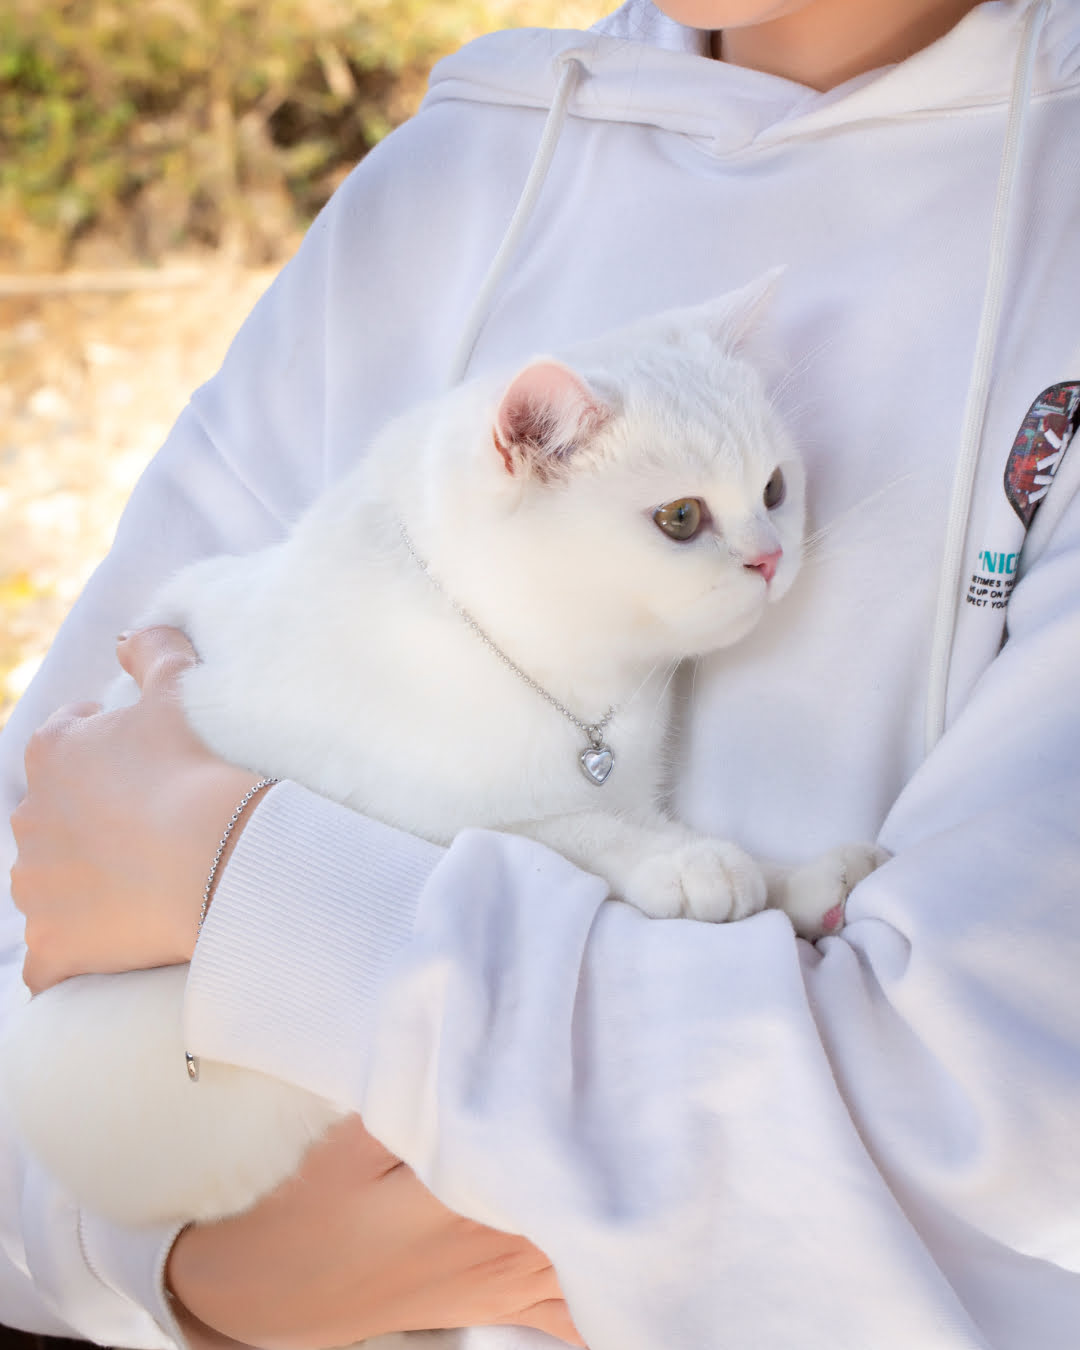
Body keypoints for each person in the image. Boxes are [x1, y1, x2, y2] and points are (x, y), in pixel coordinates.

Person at [3, 0, 1079, 1346]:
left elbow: (1007, 1128)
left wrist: (254, 892)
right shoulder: (459, 176)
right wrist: (179, 1271)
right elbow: (28, 914)